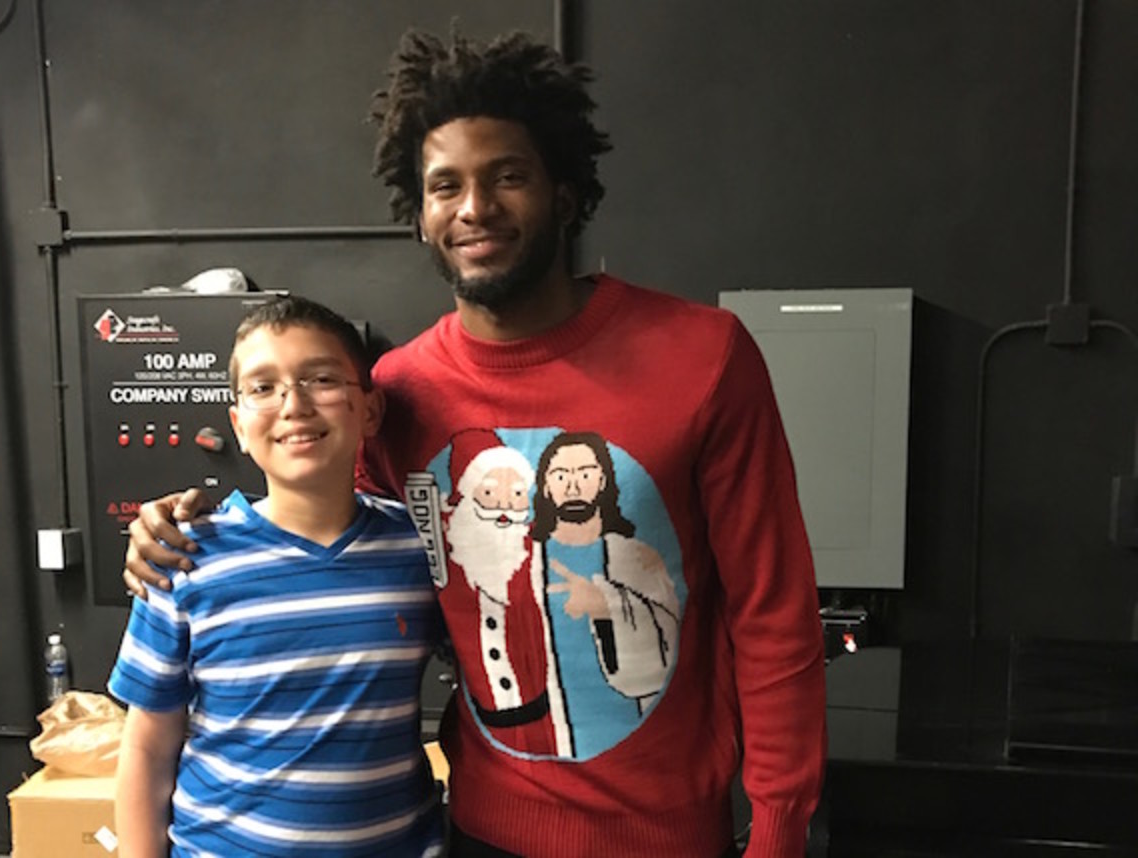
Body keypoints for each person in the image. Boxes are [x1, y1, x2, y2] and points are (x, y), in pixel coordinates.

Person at [124, 28, 826, 858]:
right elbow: (308, 499)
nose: (475, 208)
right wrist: (173, 520)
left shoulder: (705, 356)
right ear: (419, 216)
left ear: (565, 194)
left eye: (508, 177)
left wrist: (779, 829)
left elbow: (774, 613)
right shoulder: (402, 391)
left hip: (669, 836)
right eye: (445, 186)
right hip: (477, 832)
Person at [109, 295, 444, 857]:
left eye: (321, 379)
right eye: (263, 387)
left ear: (370, 411)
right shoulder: (185, 556)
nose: (294, 404)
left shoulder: (417, 549)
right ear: (238, 427)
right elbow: (147, 747)